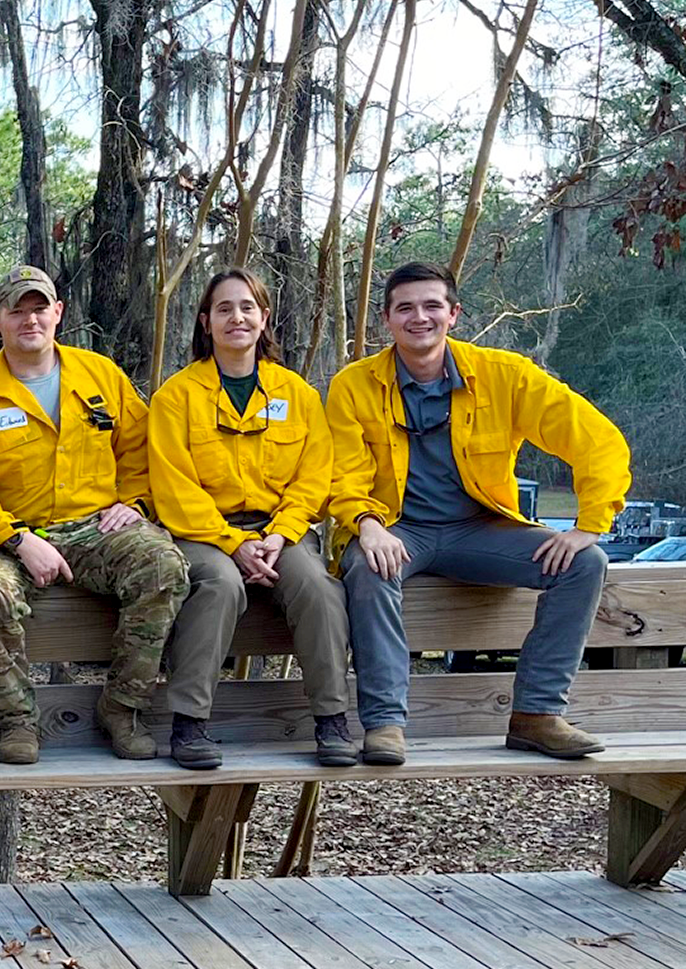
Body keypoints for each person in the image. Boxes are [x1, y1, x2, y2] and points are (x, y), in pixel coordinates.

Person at [329, 262, 631, 765]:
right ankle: (384, 724)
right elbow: (341, 472)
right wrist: (367, 524)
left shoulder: (505, 376)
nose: (419, 317)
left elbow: (597, 440)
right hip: (399, 528)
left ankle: (537, 715)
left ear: (454, 314)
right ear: (387, 320)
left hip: (480, 528)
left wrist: (589, 524)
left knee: (585, 563)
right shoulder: (354, 386)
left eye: (431, 306)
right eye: (405, 308)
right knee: (367, 565)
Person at [0, 265, 188, 765]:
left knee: (163, 566)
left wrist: (132, 502)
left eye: (39, 308)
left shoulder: (100, 376)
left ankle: (122, 708)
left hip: (96, 528)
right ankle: (17, 719)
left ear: (58, 313)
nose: (29, 319)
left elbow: (143, 451)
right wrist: (17, 539)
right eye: (16, 310)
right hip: (7, 536)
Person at [149, 270, 353, 769]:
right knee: (219, 586)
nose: (236, 317)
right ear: (205, 323)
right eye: (223, 309)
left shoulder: (298, 394)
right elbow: (173, 488)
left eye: (247, 308)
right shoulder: (175, 397)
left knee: (320, 590)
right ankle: (190, 724)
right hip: (204, 535)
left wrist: (280, 534)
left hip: (282, 533)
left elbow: (314, 477)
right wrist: (231, 542)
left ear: (264, 319)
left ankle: (332, 720)